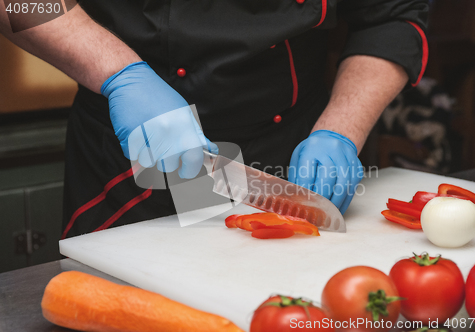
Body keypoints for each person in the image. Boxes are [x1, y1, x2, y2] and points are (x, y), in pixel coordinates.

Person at [0, 0, 428, 238]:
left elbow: (392, 15)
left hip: (291, 160)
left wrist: (341, 130)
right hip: (131, 160)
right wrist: (121, 76)